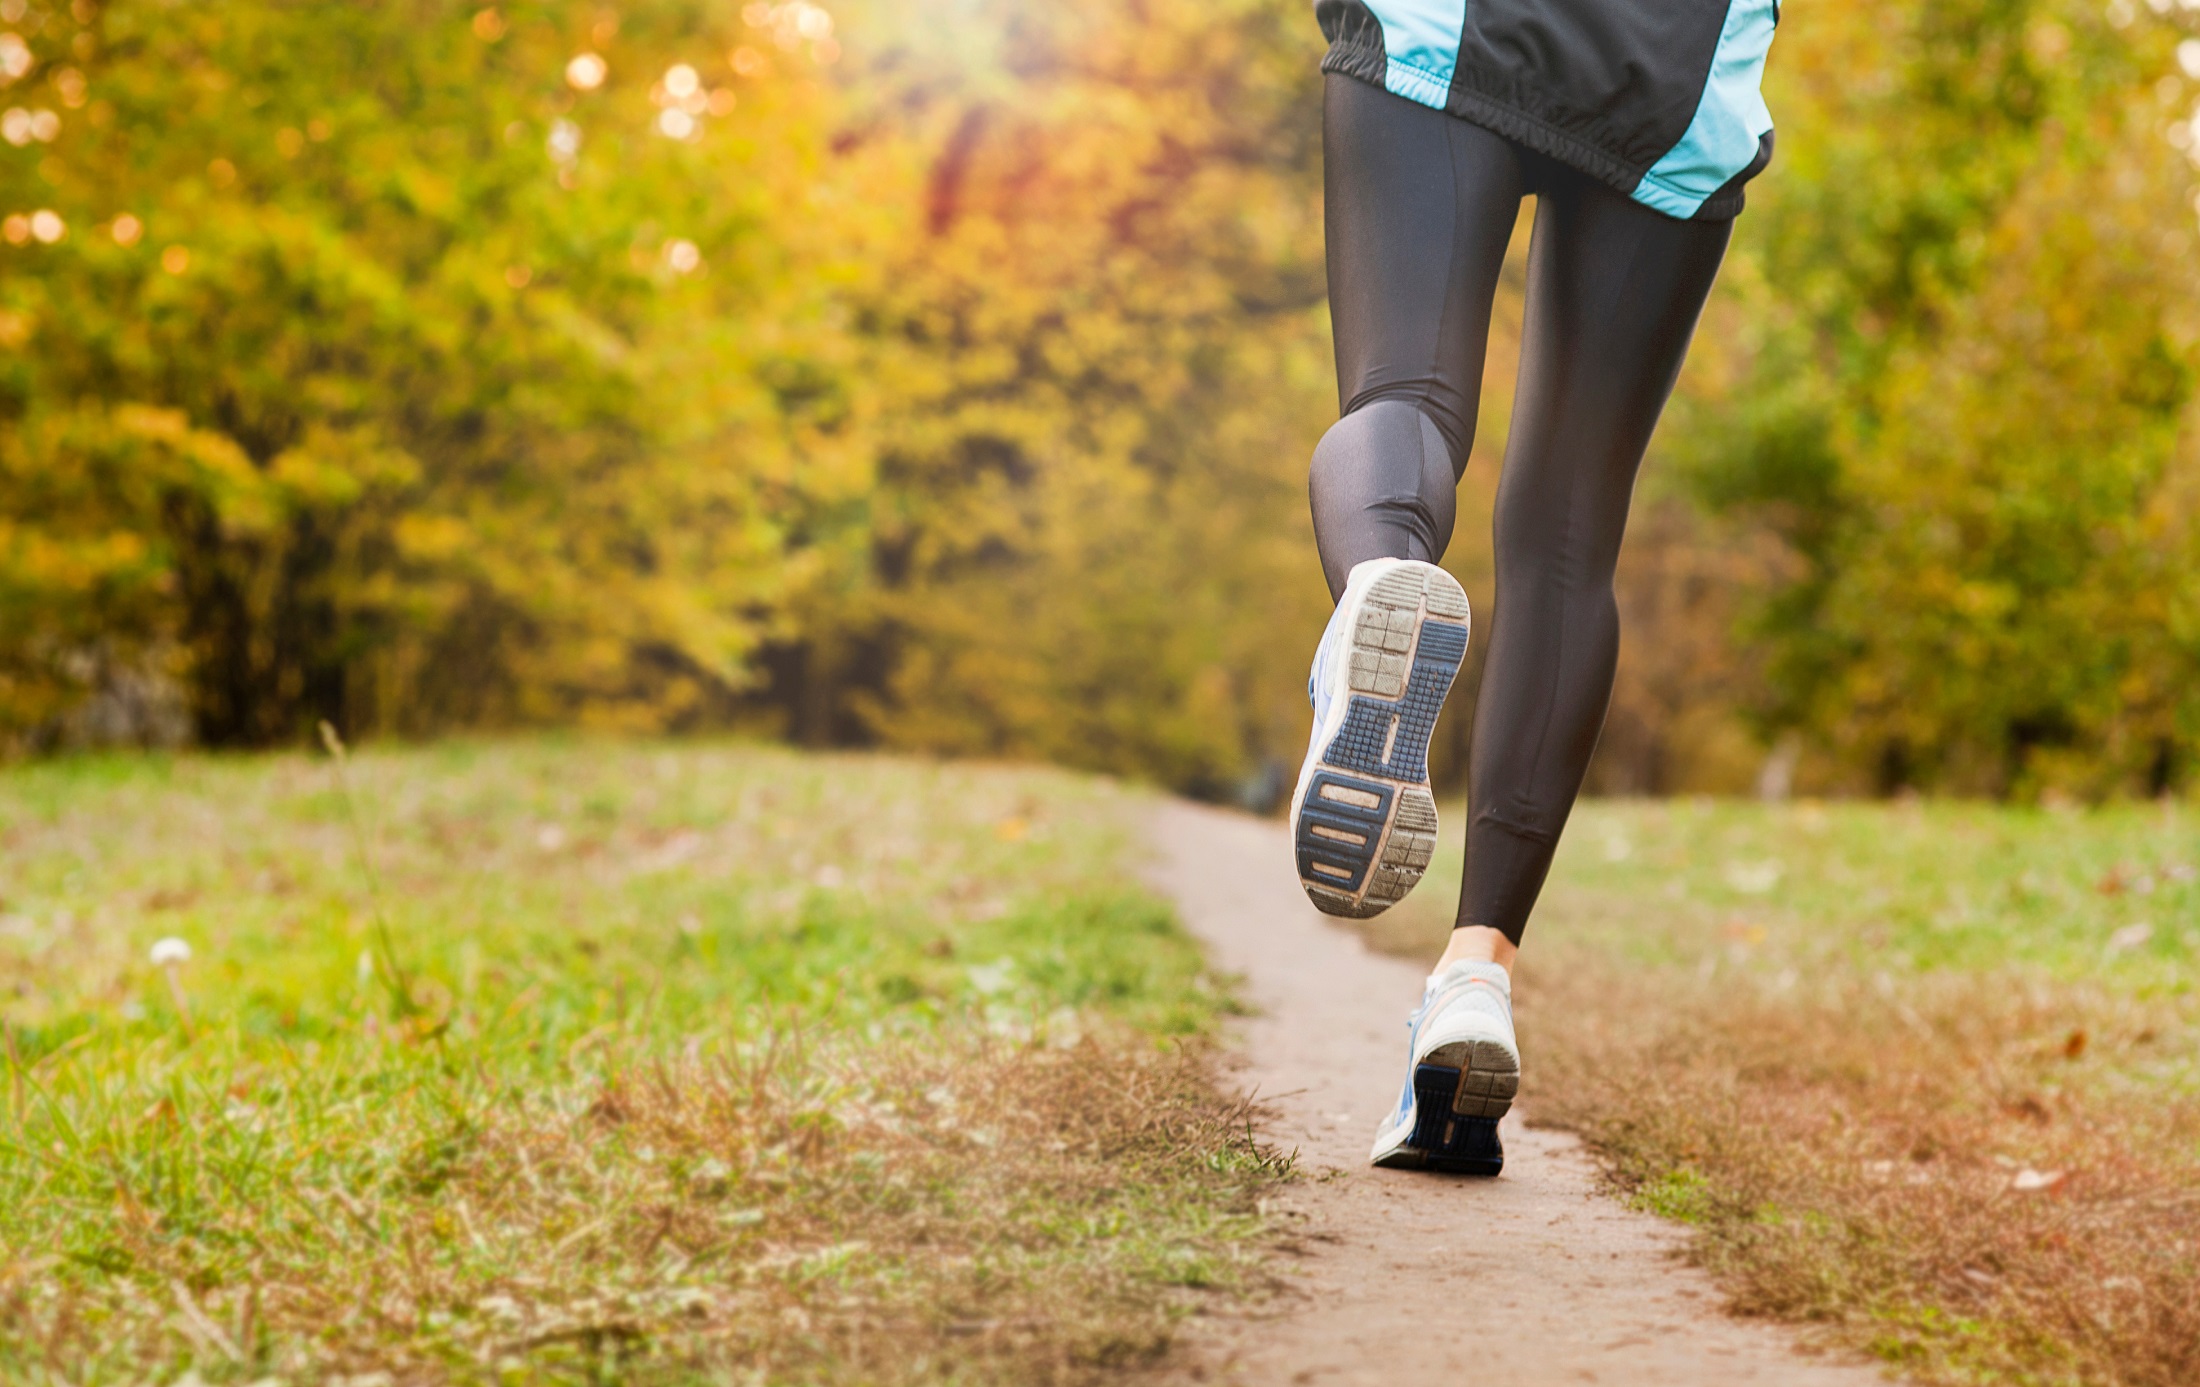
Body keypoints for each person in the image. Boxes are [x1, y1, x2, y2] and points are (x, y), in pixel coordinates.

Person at [1287, 0, 1780, 1174]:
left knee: (1403, 403)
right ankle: (1475, 977)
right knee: (1567, 534)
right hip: (1670, 76)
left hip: (1453, 27)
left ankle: (1383, 578)